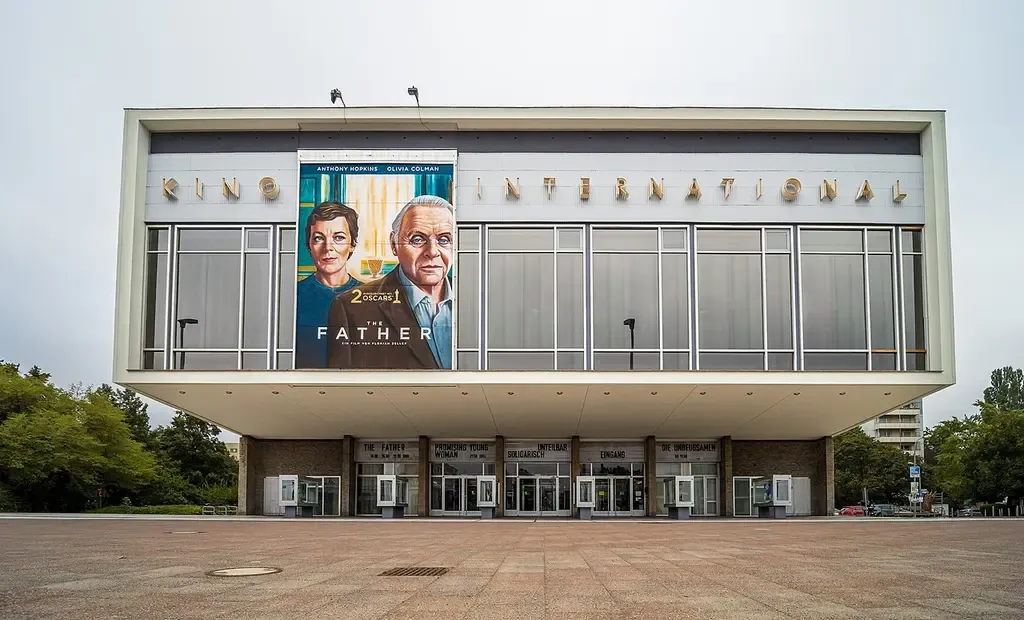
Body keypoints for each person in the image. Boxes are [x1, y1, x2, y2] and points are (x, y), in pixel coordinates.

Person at [326, 195, 454, 369]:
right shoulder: (350, 308)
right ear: (394, 244)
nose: (432, 252)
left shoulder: (477, 302)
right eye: (417, 239)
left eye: (444, 240)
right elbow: (339, 387)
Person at [294, 202, 361, 368]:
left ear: (352, 244)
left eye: (338, 238)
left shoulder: (371, 298)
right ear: (309, 246)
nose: (328, 248)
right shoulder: (293, 297)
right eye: (318, 238)